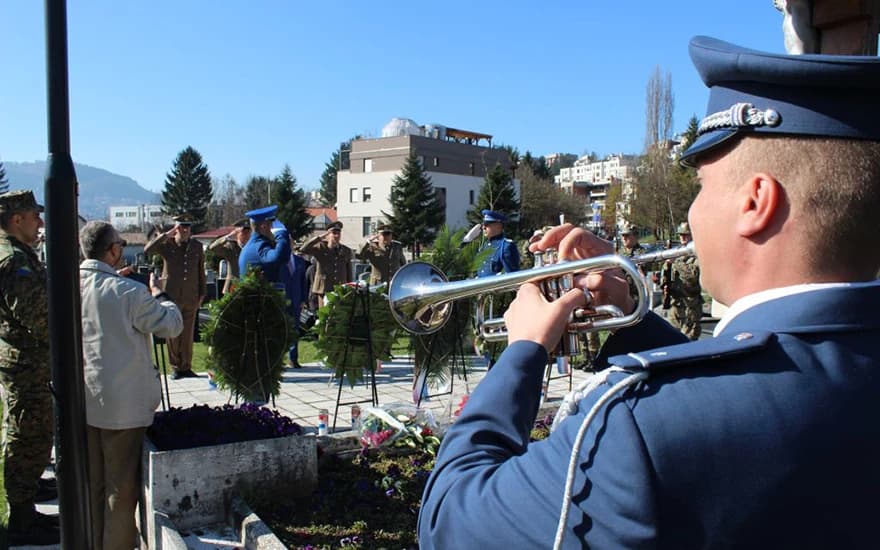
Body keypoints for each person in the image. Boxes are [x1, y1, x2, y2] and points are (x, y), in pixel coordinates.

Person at [418, 36, 880, 548]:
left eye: (702, 187)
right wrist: (630, 313)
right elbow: (765, 380)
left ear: (756, 202)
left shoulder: (633, 426)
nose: (691, 213)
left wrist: (523, 351)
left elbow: (450, 524)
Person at [79, 221, 183, 549]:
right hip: (121, 409)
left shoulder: (67, 284)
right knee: (120, 495)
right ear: (113, 251)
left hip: (83, 401)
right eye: (120, 244)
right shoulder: (131, 292)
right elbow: (171, 325)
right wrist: (160, 294)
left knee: (93, 486)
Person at [0, 190, 58, 545]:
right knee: (26, 434)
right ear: (16, 219)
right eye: (34, 215)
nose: (39, 222)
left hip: (29, 361)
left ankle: (30, 490)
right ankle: (22, 518)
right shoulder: (12, 262)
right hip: (26, 364)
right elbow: (41, 317)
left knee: (34, 430)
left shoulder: (21, 254)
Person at [143, 213, 206, 380]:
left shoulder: (197, 246)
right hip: (172, 296)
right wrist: (165, 235)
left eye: (187, 227)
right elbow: (148, 250)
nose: (185, 230)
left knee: (187, 334)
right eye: (181, 227)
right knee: (173, 334)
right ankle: (176, 367)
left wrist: (202, 293)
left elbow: (201, 271)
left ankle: (186, 366)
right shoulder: (167, 245)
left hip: (191, 296)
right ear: (176, 228)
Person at [664, 221, 702, 340]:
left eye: (685, 235)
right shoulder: (677, 253)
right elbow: (667, 276)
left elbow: (692, 277)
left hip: (691, 305)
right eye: (681, 235)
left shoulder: (697, 254)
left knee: (689, 339)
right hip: (675, 304)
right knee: (671, 338)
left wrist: (676, 261)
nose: (682, 237)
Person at [300, 221, 353, 306]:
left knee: (339, 315)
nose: (337, 236)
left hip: (340, 289)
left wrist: (349, 287)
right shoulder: (321, 247)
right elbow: (303, 249)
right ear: (328, 235)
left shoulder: (345, 250)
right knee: (325, 315)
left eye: (338, 233)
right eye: (334, 233)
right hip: (324, 288)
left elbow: (348, 271)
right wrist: (318, 238)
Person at [238, 206, 291, 284]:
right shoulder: (259, 246)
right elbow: (280, 258)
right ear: (264, 226)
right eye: (272, 224)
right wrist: (281, 233)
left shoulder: (253, 244)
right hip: (262, 295)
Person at [280, 237, 310, 368]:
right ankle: (279, 358)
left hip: (296, 300)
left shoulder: (300, 262)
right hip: (281, 299)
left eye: (290, 243)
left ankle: (293, 358)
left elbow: (304, 283)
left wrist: (304, 299)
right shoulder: (278, 261)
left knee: (295, 329)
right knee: (280, 329)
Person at [207, 217, 251, 295]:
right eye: (243, 232)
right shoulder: (231, 247)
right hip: (232, 287)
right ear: (237, 233)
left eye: (248, 232)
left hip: (249, 287)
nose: (246, 235)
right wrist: (227, 238)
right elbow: (212, 248)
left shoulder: (252, 247)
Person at [476, 210, 520, 277]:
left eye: (487, 224)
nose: (483, 227)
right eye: (483, 224)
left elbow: (512, 275)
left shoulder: (506, 246)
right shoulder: (484, 246)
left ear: (498, 225)